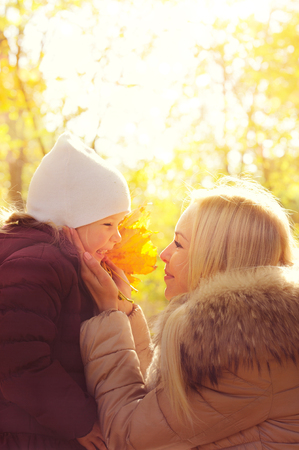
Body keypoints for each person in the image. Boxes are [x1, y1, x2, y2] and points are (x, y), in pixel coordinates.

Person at [75, 177, 299, 449]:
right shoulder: (249, 334)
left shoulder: (248, 352)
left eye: (179, 244)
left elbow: (127, 436)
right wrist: (123, 310)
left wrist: (107, 315)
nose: (164, 254)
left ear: (217, 256)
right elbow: (156, 407)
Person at [0, 131, 137, 450]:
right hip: (30, 435)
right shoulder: (38, 263)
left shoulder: (59, 262)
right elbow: (18, 357)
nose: (117, 238)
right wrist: (80, 421)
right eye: (108, 224)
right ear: (70, 219)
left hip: (44, 428)